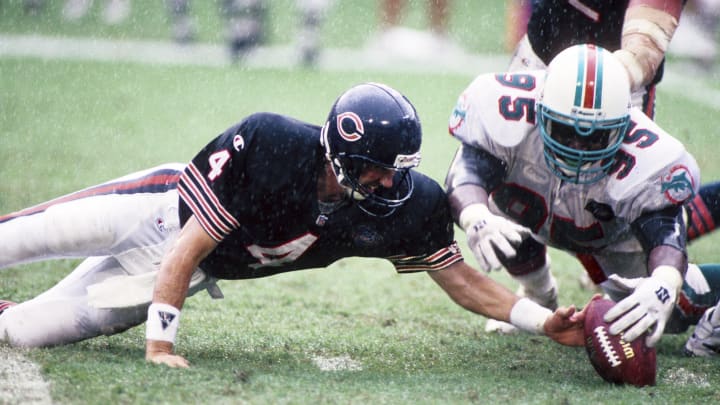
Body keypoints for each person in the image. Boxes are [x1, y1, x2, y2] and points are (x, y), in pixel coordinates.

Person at [0, 83, 587, 368]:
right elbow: (189, 243)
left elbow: (462, 282)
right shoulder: (274, 146)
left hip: (187, 269)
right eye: (377, 170)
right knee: (19, 237)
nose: (389, 183)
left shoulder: (408, 204)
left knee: (26, 331)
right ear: (342, 154)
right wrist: (160, 343)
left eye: (396, 170)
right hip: (159, 209)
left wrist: (542, 321)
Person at [445, 43, 720, 352]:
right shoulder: (505, 110)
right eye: (565, 131)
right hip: (532, 210)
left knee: (654, 308)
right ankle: (538, 292)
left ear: (624, 123)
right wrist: (475, 216)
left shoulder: (648, 155)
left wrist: (666, 280)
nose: (577, 147)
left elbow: (664, 229)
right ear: (540, 108)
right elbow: (466, 174)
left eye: (595, 136)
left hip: (612, 237)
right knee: (493, 216)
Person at [507, 0, 685, 119]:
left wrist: (614, 81)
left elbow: (645, 43)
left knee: (612, 170)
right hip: (542, 52)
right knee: (507, 150)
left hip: (619, 80)